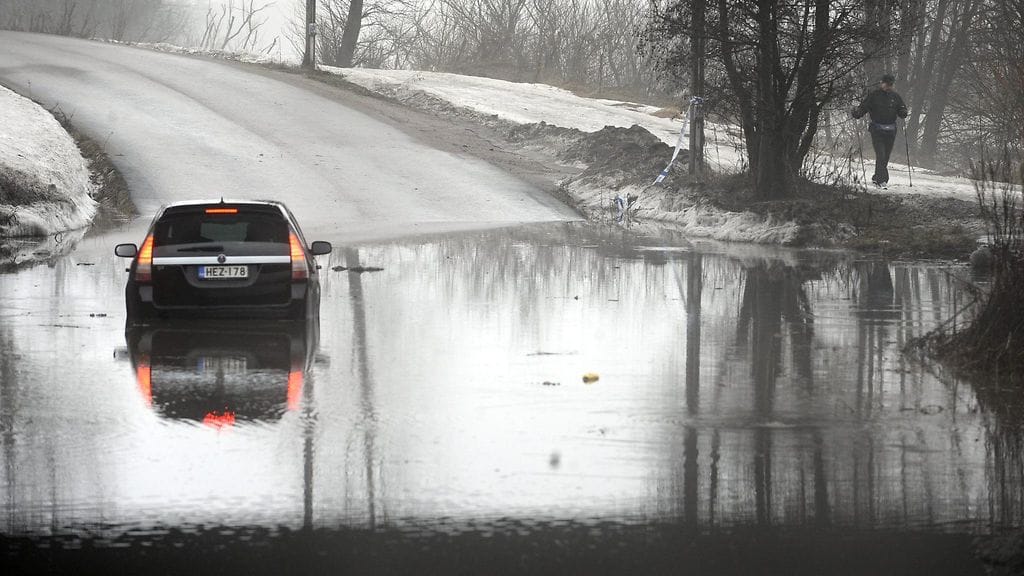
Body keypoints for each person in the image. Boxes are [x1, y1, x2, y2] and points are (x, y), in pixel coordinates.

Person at [852, 74, 908, 188]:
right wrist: (857, 113)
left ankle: (877, 177)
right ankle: (882, 180)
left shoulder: (895, 97)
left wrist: (903, 112)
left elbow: (902, 109)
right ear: (881, 83)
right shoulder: (874, 96)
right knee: (881, 155)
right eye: (886, 84)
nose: (888, 86)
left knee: (886, 156)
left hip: (891, 131)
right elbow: (864, 107)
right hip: (877, 129)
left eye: (891, 84)